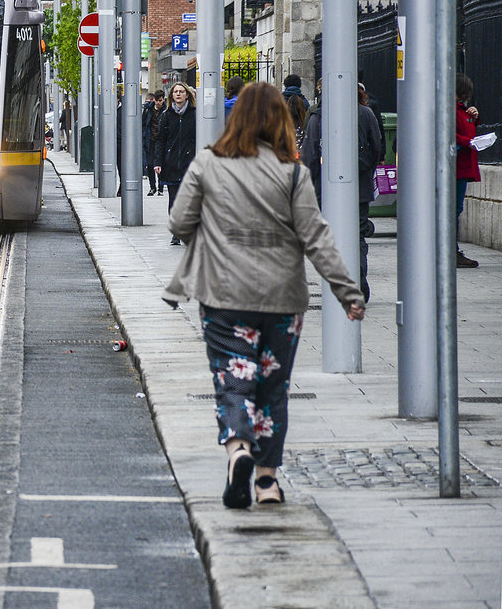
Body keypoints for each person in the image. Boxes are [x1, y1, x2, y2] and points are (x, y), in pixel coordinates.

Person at [163, 83, 366, 509]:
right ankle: (268, 483)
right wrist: (347, 292)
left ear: (236, 119)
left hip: (223, 296)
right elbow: (317, 236)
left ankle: (238, 450)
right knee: (273, 390)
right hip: (281, 300)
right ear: (281, 122)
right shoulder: (293, 173)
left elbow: (179, 223)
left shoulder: (208, 164)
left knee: (233, 383)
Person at [300, 84, 384, 301]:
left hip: (326, 190)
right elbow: (376, 147)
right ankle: (358, 283)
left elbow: (309, 157)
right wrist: (363, 172)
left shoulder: (318, 117)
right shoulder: (365, 113)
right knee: (357, 236)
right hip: (359, 189)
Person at [153, 82, 197, 244]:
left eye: (181, 92)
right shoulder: (166, 115)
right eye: (175, 92)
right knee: (173, 199)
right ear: (171, 96)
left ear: (187, 95)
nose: (178, 94)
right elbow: (160, 140)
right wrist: (158, 162)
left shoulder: (194, 114)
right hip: (171, 162)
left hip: (189, 162)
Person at [455, 73, 482, 268]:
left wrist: (474, 118)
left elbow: (468, 131)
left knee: (455, 210)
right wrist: (469, 142)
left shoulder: (461, 111)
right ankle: (450, 251)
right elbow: (449, 134)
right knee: (452, 210)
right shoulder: (452, 111)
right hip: (455, 168)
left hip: (462, 167)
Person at [142, 89, 166, 195]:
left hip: (161, 141)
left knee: (161, 164)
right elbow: (143, 123)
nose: (158, 103)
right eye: (156, 100)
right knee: (150, 164)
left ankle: (160, 187)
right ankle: (152, 187)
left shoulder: (166, 110)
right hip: (150, 140)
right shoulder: (148, 110)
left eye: (160, 100)